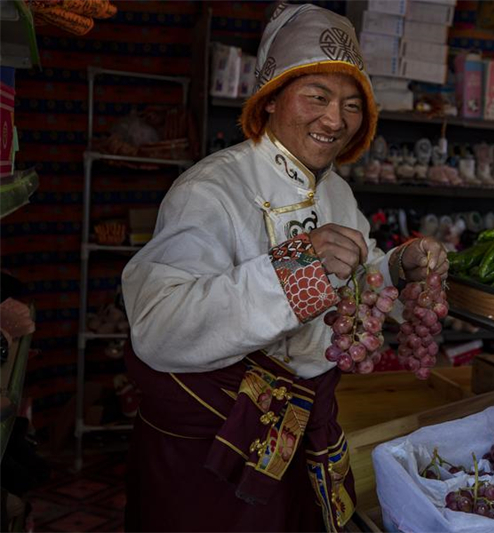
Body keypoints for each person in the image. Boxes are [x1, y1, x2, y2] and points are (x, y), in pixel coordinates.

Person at [121, 4, 448, 532]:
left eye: (350, 105)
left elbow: (354, 284)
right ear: (270, 99)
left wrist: (397, 267)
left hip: (299, 431)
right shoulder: (211, 188)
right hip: (214, 446)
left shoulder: (337, 190)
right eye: (316, 96)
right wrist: (298, 268)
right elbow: (158, 327)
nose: (334, 120)